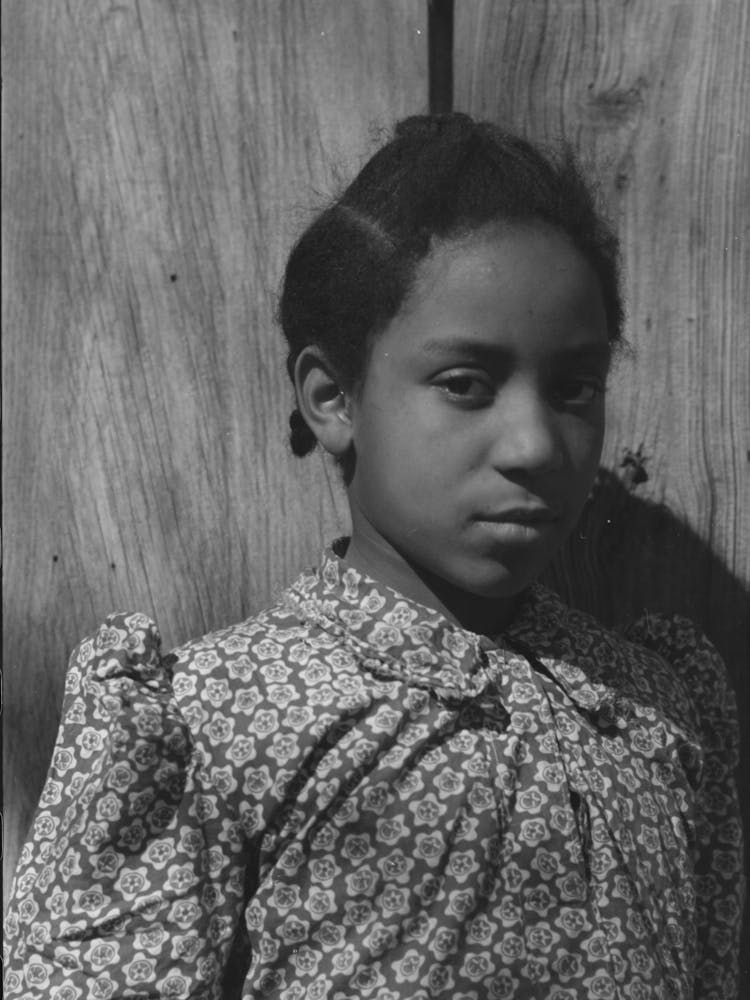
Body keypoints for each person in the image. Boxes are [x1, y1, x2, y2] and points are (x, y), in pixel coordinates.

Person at [4, 113, 743, 1000]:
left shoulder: (650, 712)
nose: (537, 444)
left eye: (575, 388)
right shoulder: (217, 721)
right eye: (465, 384)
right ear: (333, 399)